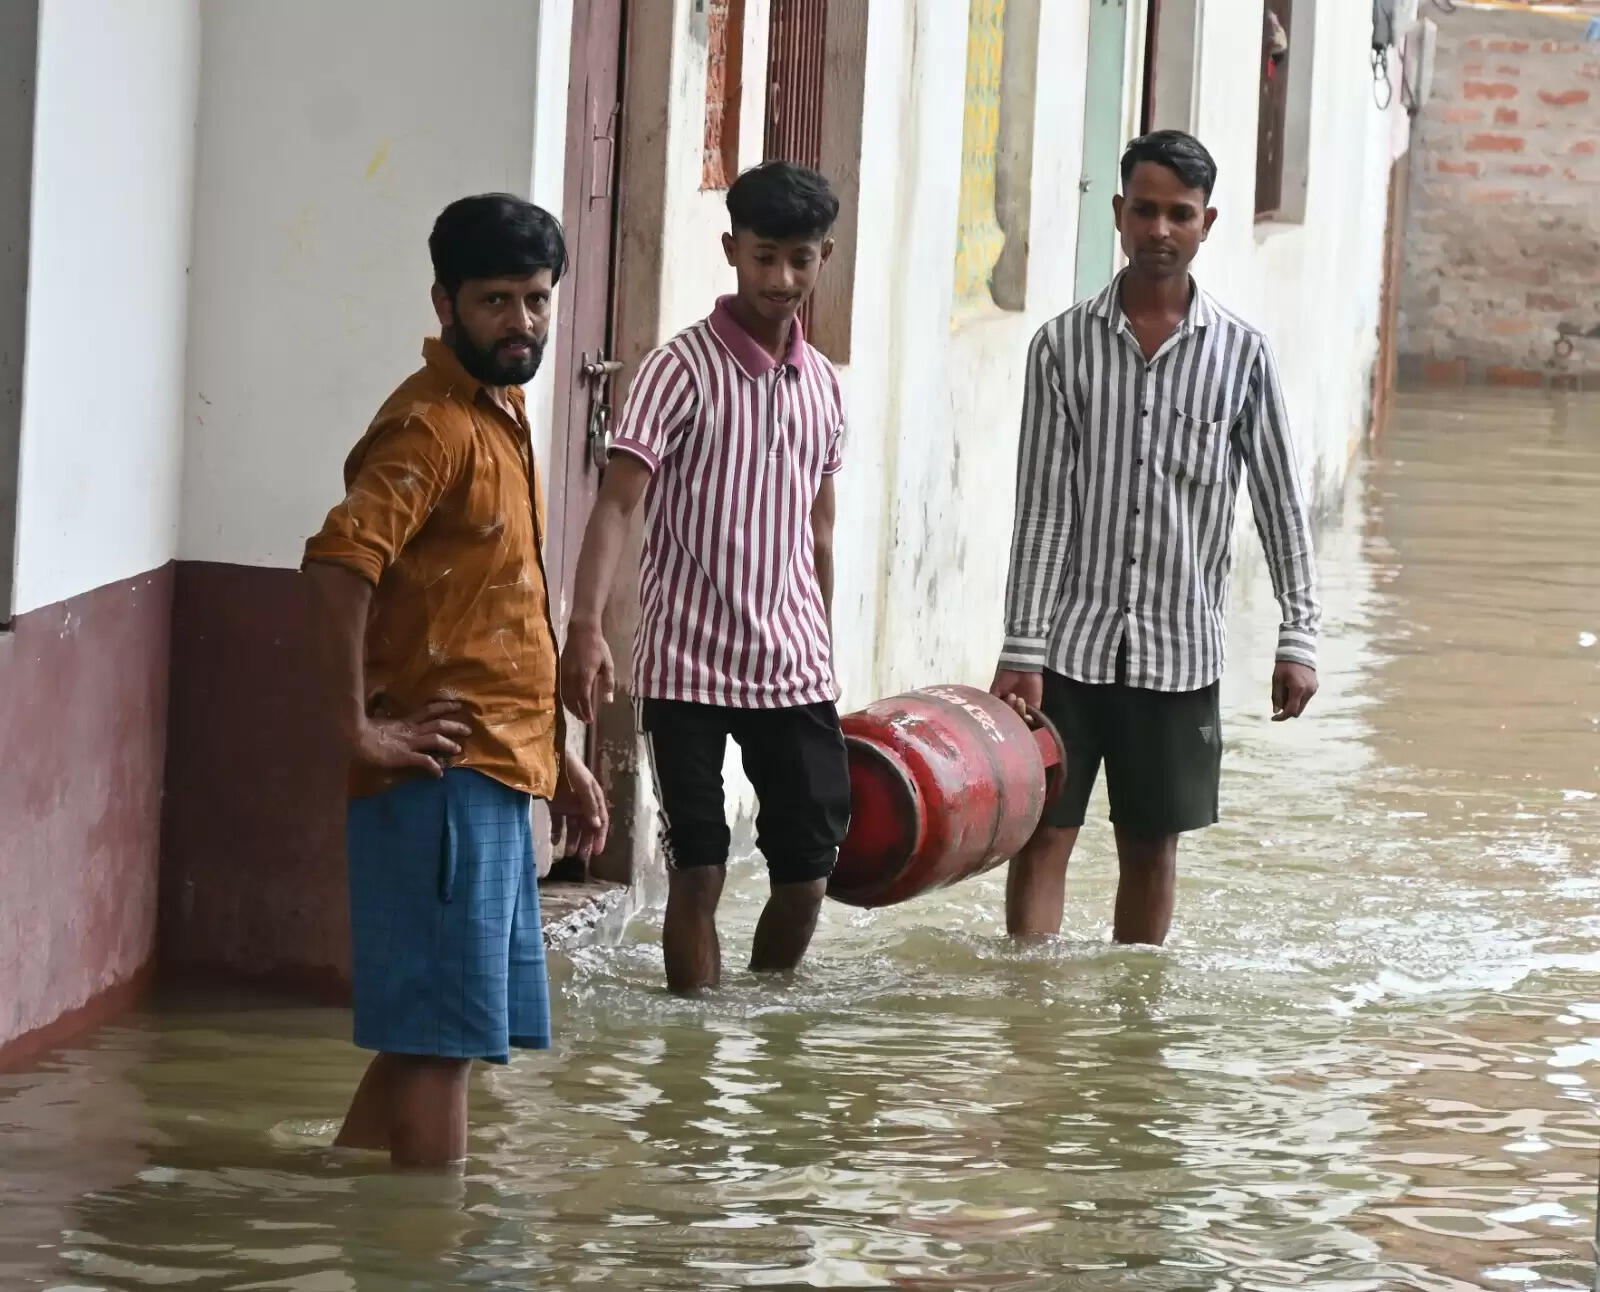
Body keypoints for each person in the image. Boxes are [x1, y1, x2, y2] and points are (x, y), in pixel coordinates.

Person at [302, 194, 608, 1168]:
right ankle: (434, 1235)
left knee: (430, 1038)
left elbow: (493, 615)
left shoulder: (501, 414)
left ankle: (348, 1192)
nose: (522, 321)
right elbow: (338, 564)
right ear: (445, 304)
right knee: (444, 1045)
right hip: (439, 779)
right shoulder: (429, 426)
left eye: (536, 299)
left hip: (492, 769)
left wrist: (556, 757)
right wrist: (356, 728)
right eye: (495, 301)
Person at [991, 131, 1320, 947]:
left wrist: (1299, 636)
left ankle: (1133, 1019)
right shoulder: (1061, 347)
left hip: (1180, 656)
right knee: (1042, 838)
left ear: (1208, 223)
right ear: (1118, 213)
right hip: (1068, 651)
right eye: (1145, 211)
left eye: (1180, 214)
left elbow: (1280, 503)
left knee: (1149, 849)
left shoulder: (1242, 356)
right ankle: (1029, 1012)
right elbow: (1042, 508)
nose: (1160, 230)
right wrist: (1022, 649)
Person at [560, 161, 850, 995]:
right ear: (731, 250)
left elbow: (820, 530)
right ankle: (694, 1045)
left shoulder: (824, 387)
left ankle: (764, 1021)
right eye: (764, 257)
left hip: (793, 670)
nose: (781, 278)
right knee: (700, 869)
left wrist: (823, 651)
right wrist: (585, 628)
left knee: (808, 874)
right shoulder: (677, 370)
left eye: (799, 259)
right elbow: (617, 505)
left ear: (824, 257)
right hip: (685, 670)